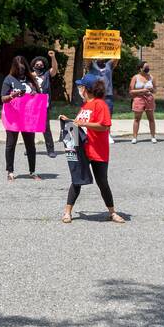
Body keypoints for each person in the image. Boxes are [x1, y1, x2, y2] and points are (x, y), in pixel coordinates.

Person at [58, 73, 125, 224]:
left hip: (98, 151)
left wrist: (83, 124)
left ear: (87, 89)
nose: (79, 89)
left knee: (102, 182)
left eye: (81, 86)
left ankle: (112, 212)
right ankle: (67, 212)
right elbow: (78, 126)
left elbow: (104, 126)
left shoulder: (100, 104)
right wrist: (68, 121)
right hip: (83, 150)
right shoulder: (84, 106)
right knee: (77, 180)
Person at [1, 56, 42, 181]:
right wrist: (12, 95)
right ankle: (10, 171)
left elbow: (39, 95)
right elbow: (3, 98)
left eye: (23, 69)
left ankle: (32, 171)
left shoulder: (31, 80)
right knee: (11, 144)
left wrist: (35, 94)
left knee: (30, 145)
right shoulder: (9, 79)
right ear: (14, 68)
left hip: (28, 117)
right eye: (19, 69)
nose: (21, 71)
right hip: (13, 117)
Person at [31, 55, 58, 157]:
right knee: (31, 127)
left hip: (43, 104)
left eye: (41, 64)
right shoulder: (30, 75)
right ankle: (30, 148)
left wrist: (53, 57)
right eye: (37, 64)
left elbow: (54, 69)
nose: (39, 66)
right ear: (33, 65)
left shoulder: (47, 74)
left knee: (46, 127)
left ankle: (50, 150)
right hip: (32, 105)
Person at [89, 56, 118, 143]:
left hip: (107, 95)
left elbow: (116, 57)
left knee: (108, 115)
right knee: (94, 115)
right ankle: (94, 134)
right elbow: (86, 58)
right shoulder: (92, 64)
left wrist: (118, 44)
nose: (100, 56)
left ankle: (107, 134)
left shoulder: (109, 65)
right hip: (95, 95)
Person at [129, 61, 157, 144]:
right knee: (137, 119)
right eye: (145, 67)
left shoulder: (151, 77)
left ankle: (153, 136)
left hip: (149, 99)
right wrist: (142, 90)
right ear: (140, 68)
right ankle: (134, 137)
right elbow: (131, 91)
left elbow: (155, 90)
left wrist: (152, 90)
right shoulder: (135, 77)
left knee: (151, 118)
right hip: (138, 99)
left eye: (148, 67)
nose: (147, 69)